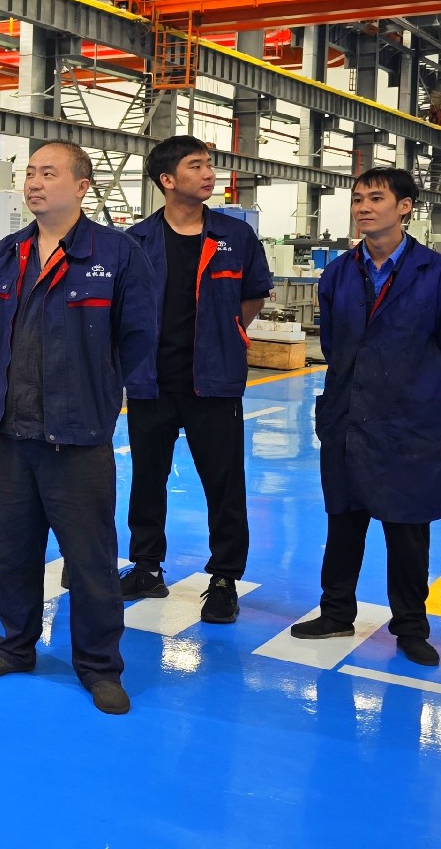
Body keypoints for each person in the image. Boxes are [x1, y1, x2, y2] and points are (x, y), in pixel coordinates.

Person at [0, 142, 156, 716]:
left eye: (49, 173)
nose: (35, 183)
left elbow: (138, 338)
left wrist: (99, 394)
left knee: (90, 558)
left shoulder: (116, 254)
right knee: (15, 550)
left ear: (82, 185)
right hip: (12, 430)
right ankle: (14, 645)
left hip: (78, 436)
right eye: (30, 173)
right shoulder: (9, 252)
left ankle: (100, 666)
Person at [294, 167, 441, 667]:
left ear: (405, 207)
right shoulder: (338, 274)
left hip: (409, 423)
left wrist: (419, 398)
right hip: (348, 417)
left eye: (376, 198)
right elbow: (335, 346)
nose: (363, 207)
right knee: (343, 521)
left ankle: (411, 627)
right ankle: (336, 612)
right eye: (357, 199)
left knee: (407, 528)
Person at [120, 135, 273, 622]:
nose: (209, 173)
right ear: (167, 180)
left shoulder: (235, 236)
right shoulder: (136, 241)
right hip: (152, 381)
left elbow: (253, 295)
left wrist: (226, 333)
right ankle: (147, 566)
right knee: (147, 479)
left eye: (209, 165)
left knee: (224, 484)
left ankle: (224, 578)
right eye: (196, 166)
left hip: (214, 381)